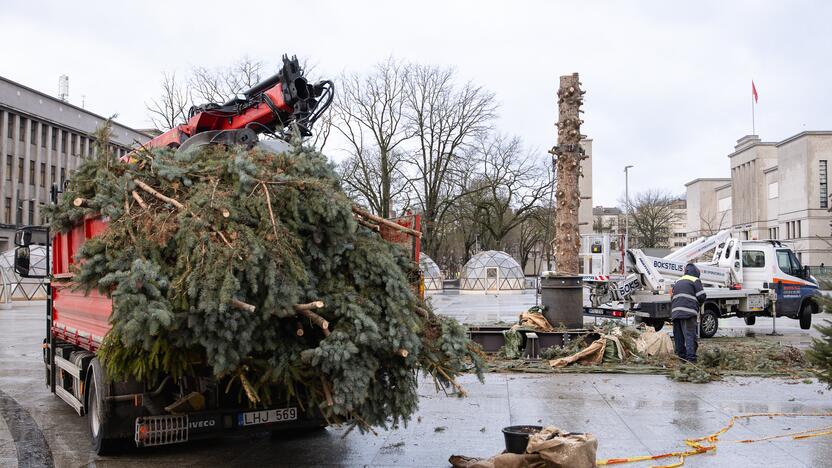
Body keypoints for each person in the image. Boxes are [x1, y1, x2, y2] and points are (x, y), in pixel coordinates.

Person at [671, 264, 706, 362]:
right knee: (690, 335)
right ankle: (691, 360)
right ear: (696, 273)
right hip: (688, 313)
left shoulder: (677, 281)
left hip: (675, 312)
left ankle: (682, 358)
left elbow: (672, 297)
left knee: (679, 337)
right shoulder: (695, 280)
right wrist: (698, 305)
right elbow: (701, 296)